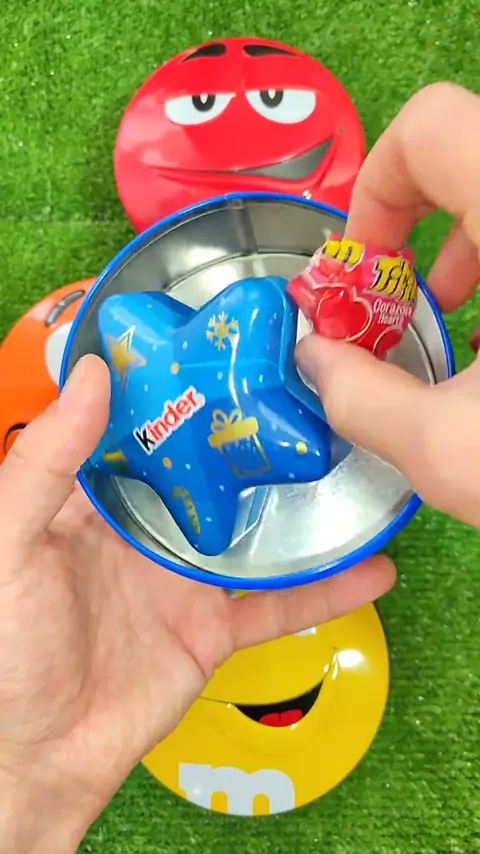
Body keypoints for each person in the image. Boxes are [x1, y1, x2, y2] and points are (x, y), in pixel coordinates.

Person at [1, 80, 478, 852]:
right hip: (186, 466)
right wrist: (23, 770)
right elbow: (166, 311)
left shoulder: (205, 315)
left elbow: (161, 311)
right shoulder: (194, 328)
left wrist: (25, 773)